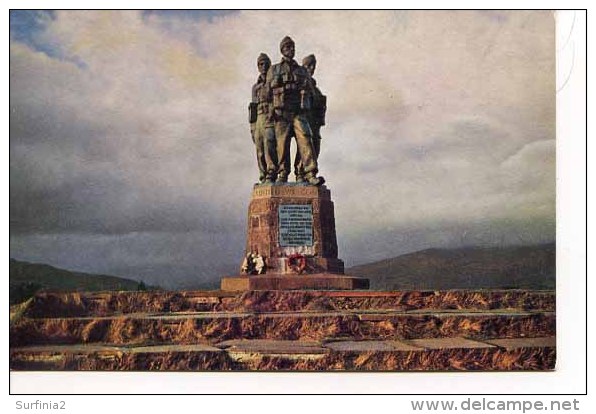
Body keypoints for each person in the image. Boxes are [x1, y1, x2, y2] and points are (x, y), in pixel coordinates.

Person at [266, 36, 324, 186]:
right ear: (282, 50)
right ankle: (282, 174)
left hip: (298, 112)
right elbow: (266, 95)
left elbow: (311, 93)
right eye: (287, 47)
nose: (291, 50)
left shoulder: (302, 71)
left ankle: (310, 173)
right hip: (282, 113)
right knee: (282, 145)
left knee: (306, 138)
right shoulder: (274, 69)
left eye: (292, 47)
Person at [294, 54, 326, 182]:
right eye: (308, 65)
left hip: (314, 121)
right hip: (300, 117)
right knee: (305, 140)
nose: (311, 68)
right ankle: (305, 173)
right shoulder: (299, 82)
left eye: (313, 66)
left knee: (315, 145)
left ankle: (304, 174)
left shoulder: (314, 87)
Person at [249, 53, 278, 184]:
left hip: (270, 117)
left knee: (269, 144)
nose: (264, 66)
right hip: (259, 118)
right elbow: (253, 107)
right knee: (259, 148)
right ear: (258, 66)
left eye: (266, 63)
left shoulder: (274, 82)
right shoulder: (255, 87)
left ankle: (271, 173)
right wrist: (252, 127)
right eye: (261, 64)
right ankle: (263, 176)